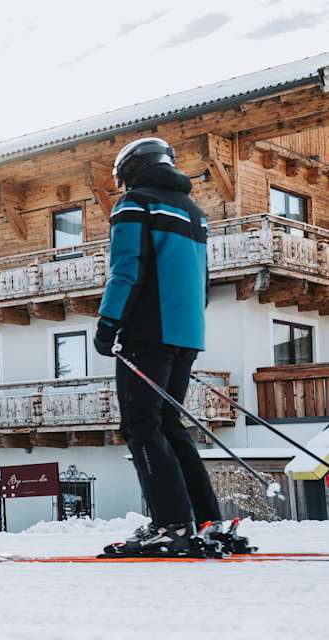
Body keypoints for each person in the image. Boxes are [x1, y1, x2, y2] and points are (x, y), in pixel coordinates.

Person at [94, 137, 249, 557]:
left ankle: (171, 525)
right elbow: (202, 279)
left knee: (141, 426)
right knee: (168, 424)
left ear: (130, 170)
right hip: (186, 333)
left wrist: (109, 323)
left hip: (147, 332)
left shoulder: (134, 204)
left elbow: (126, 268)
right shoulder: (194, 212)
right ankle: (204, 520)